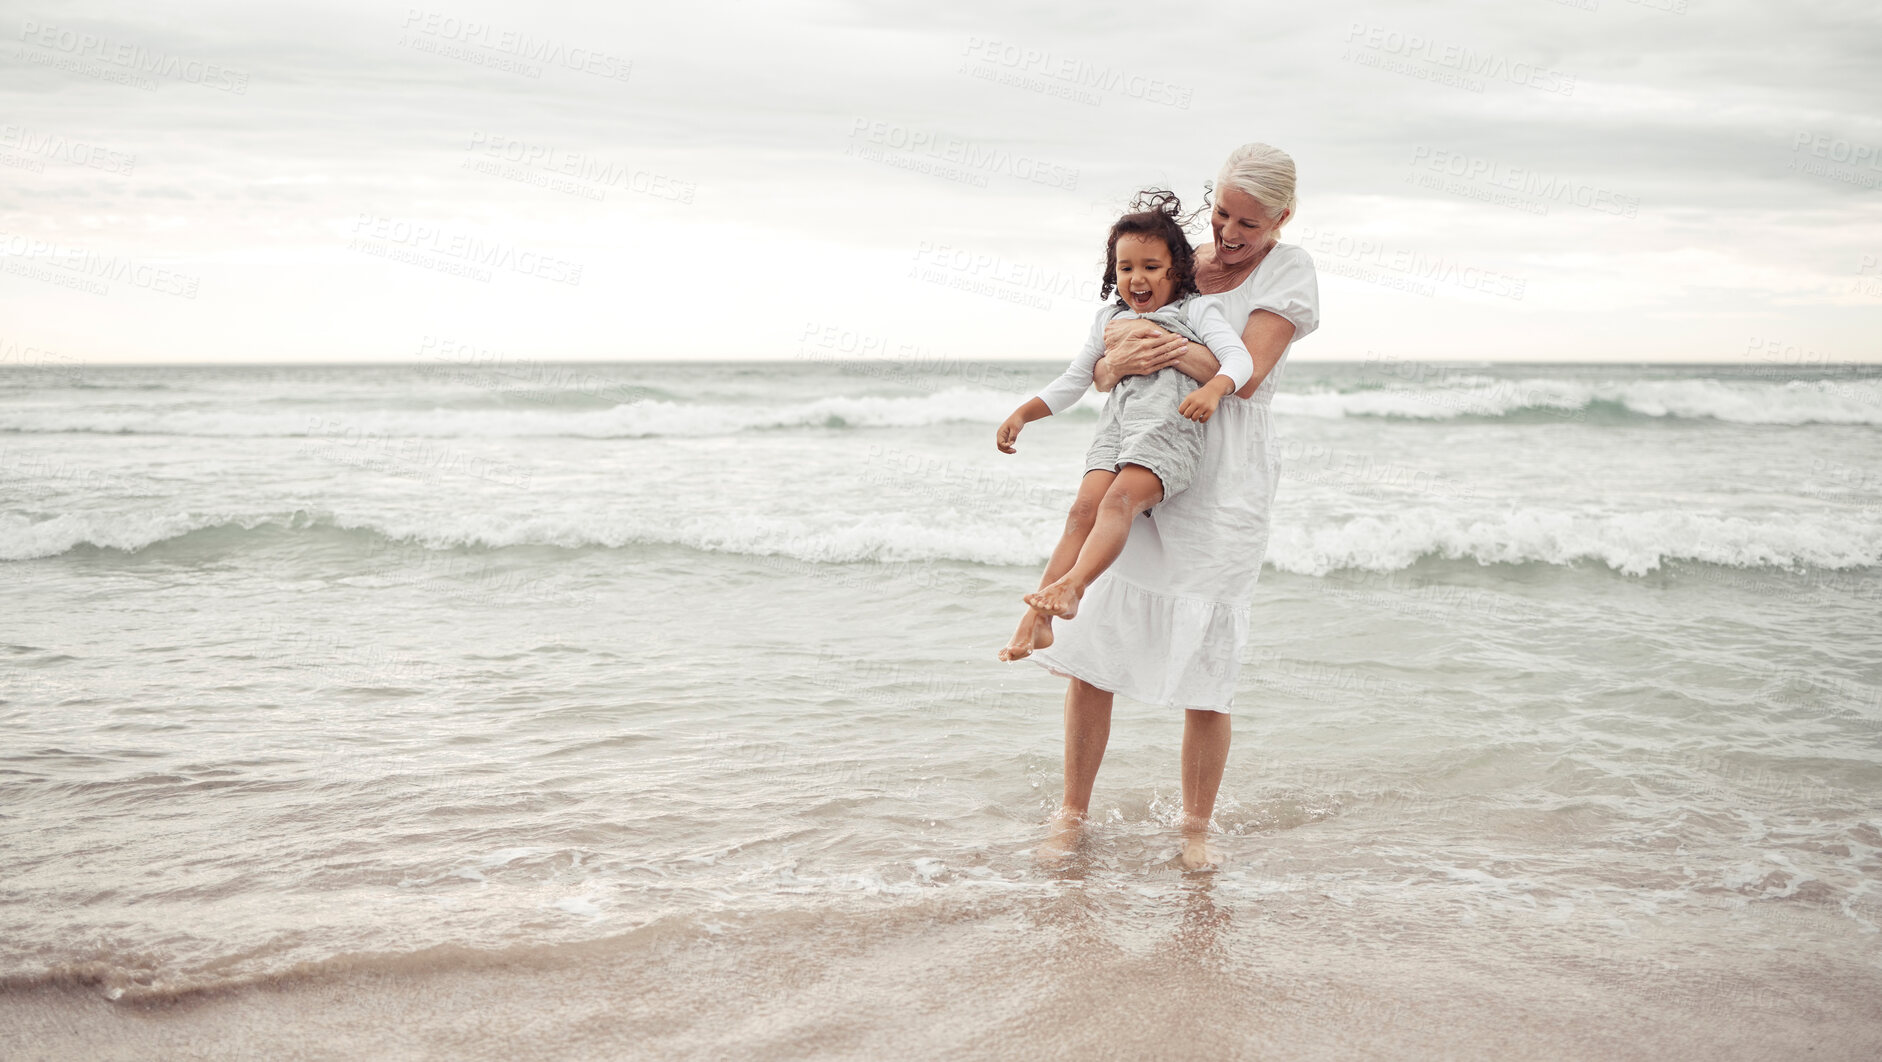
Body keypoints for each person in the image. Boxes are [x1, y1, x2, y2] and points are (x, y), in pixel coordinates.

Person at [1024, 143, 1320, 871]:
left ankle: (1195, 830)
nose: (1228, 231)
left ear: (1283, 217)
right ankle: (1071, 814)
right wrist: (1117, 361)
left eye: (1248, 222)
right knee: (1093, 648)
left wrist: (1160, 350)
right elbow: (1103, 359)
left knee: (1209, 660)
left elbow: (1244, 376)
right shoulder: (1174, 258)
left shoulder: (1290, 271)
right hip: (1143, 447)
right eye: (1220, 212)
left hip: (1225, 477)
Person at [994, 192, 1256, 661]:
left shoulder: (1197, 311)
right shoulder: (1108, 319)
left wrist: (1213, 389)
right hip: (1114, 431)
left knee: (1117, 502)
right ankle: (1037, 619)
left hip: (1167, 432)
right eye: (1126, 267)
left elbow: (1239, 359)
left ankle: (1073, 587)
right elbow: (1075, 380)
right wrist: (1023, 414)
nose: (1137, 278)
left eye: (1152, 266)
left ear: (1176, 268)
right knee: (1080, 512)